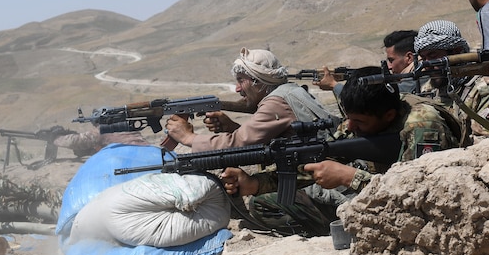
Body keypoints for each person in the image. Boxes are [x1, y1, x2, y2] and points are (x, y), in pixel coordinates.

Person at [221, 66, 460, 232]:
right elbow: (320, 157)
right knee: (265, 200)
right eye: (349, 118)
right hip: (379, 196)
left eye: (360, 123)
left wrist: (349, 177)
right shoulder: (360, 116)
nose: (350, 127)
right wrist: (256, 183)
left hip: (423, 218)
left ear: (389, 115)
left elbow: (420, 198)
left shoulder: (423, 125)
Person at [164, 47, 338, 151]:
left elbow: (236, 143)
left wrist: (188, 138)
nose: (238, 88)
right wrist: (232, 127)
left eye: (241, 81)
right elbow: (274, 140)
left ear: (259, 82)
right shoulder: (289, 91)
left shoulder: (276, 103)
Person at [412, 19, 489, 144]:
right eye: (424, 58)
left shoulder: (483, 88)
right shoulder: (428, 89)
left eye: (433, 56)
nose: (427, 64)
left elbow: (485, 139)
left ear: (457, 52)